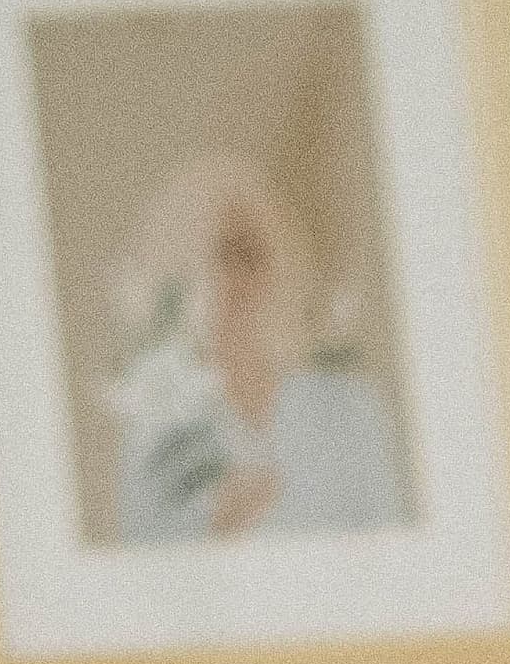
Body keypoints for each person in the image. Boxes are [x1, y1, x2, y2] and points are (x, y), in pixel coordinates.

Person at [101, 148, 409, 544]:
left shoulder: (350, 408)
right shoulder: (152, 436)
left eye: (249, 253)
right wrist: (215, 533)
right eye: (216, 255)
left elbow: (396, 555)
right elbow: (140, 585)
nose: (235, 278)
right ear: (176, 274)